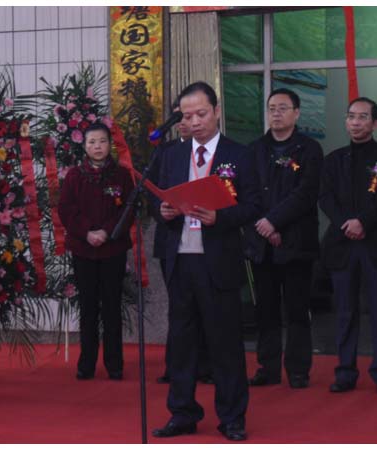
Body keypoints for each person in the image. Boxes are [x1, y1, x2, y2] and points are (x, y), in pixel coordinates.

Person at [151, 82, 261, 441]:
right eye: (187, 116)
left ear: (216, 111)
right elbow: (156, 199)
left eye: (201, 113)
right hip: (180, 259)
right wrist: (163, 210)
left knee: (224, 343)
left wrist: (221, 217)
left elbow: (253, 205)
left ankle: (232, 417)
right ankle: (182, 412)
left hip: (218, 261)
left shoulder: (239, 154)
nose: (195, 121)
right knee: (181, 343)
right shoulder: (171, 155)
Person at [319, 97, 377, 395]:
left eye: (362, 117)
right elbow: (325, 197)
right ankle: (345, 371)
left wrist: (362, 222)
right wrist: (347, 223)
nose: (355, 122)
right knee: (345, 311)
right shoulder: (334, 159)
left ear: (375, 123)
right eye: (351, 116)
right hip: (342, 245)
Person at [243, 88, 323, 389]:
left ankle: (299, 369)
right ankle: (268, 367)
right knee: (265, 310)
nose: (276, 113)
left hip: (296, 242)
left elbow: (306, 193)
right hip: (262, 244)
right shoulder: (254, 149)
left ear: (297, 113)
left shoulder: (310, 149)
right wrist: (265, 226)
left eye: (282, 108)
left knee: (297, 309)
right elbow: (248, 192)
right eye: (271, 108)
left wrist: (274, 222)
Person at [58, 122, 134, 381]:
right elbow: (66, 209)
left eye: (102, 141)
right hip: (84, 250)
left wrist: (107, 232)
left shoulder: (121, 175)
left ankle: (115, 364)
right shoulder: (74, 176)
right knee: (88, 308)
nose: (97, 146)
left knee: (112, 307)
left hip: (113, 249)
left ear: (109, 144)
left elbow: (128, 209)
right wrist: (88, 232)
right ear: (84, 146)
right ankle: (86, 364)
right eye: (92, 142)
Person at [149, 99, 213, 386]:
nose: (187, 122)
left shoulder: (217, 151)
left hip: (208, 240)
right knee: (179, 309)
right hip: (173, 240)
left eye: (193, 115)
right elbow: (152, 192)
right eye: (181, 117)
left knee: (207, 307)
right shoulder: (166, 153)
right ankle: (177, 367)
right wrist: (161, 210)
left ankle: (207, 366)